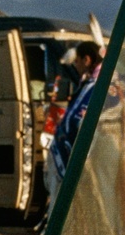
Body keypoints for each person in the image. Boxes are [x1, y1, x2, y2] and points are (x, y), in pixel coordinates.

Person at [45, 41, 104, 192]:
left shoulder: (97, 85)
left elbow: (82, 119)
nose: (75, 66)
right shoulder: (93, 82)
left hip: (98, 156)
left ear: (87, 60)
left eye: (77, 61)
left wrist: (68, 123)